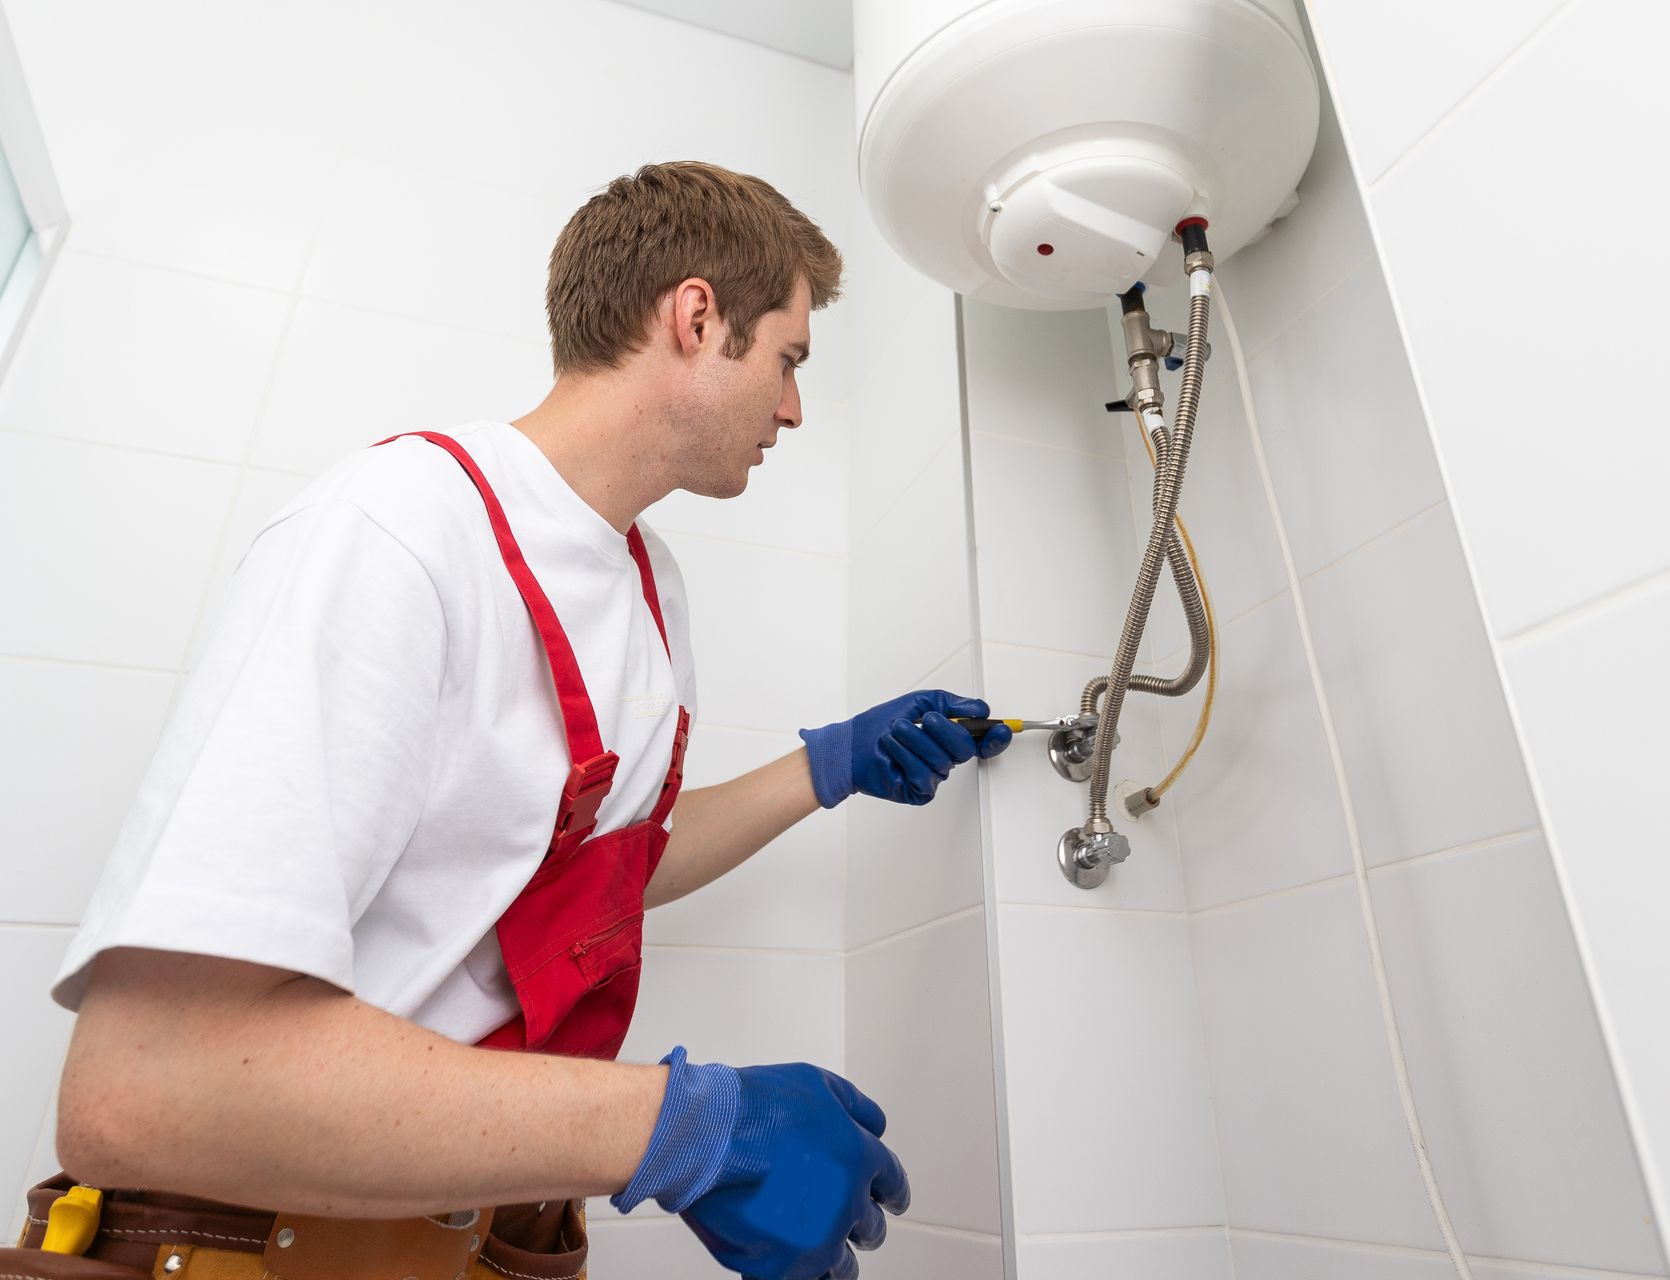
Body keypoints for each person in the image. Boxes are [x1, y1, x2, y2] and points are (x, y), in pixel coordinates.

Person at [1, 161, 1011, 1280]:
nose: (792, 406)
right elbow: (148, 1083)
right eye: (788, 357)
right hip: (264, 1244)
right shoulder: (402, 527)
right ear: (696, 316)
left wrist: (830, 766)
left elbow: (598, 867)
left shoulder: (649, 585)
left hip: (488, 1243)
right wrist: (680, 1127)